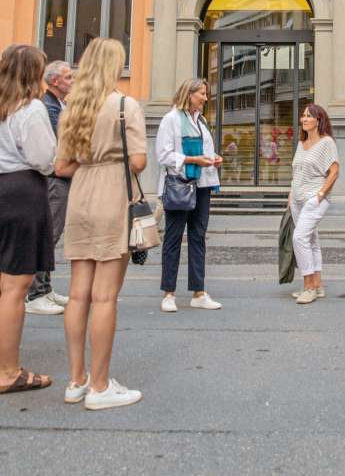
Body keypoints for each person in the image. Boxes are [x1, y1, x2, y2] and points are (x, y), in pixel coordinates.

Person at [55, 38, 146, 410]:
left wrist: (88, 163)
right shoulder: (125, 105)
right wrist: (109, 163)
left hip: (80, 198)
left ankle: (75, 380)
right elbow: (138, 161)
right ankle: (100, 385)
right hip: (112, 195)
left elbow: (60, 167)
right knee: (105, 295)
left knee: (78, 294)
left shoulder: (71, 108)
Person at [0, 44, 56, 393]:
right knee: (14, 289)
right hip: (20, 192)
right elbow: (44, 159)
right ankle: (10, 371)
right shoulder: (31, 109)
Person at [156, 78, 223, 313]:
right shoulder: (171, 120)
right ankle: (169, 294)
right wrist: (194, 160)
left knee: (198, 238)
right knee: (173, 238)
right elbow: (163, 155)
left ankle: (198, 292)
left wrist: (214, 158)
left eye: (206, 94)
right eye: (202, 94)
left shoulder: (200, 120)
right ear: (189, 94)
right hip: (180, 185)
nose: (206, 98)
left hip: (202, 185)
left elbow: (204, 150)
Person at [26, 60, 73, 316]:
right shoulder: (48, 107)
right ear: (54, 81)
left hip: (60, 178)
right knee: (48, 234)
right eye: (68, 77)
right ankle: (36, 292)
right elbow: (60, 141)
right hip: (55, 179)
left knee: (51, 234)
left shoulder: (58, 104)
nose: (72, 81)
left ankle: (44, 287)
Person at [289, 104, 339, 305]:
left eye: (309, 116)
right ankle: (317, 286)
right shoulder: (302, 143)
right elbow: (296, 172)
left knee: (299, 238)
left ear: (319, 120)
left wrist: (319, 195)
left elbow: (334, 172)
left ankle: (308, 287)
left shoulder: (327, 143)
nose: (304, 119)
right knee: (310, 241)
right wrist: (290, 196)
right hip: (297, 199)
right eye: (303, 116)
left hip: (314, 199)